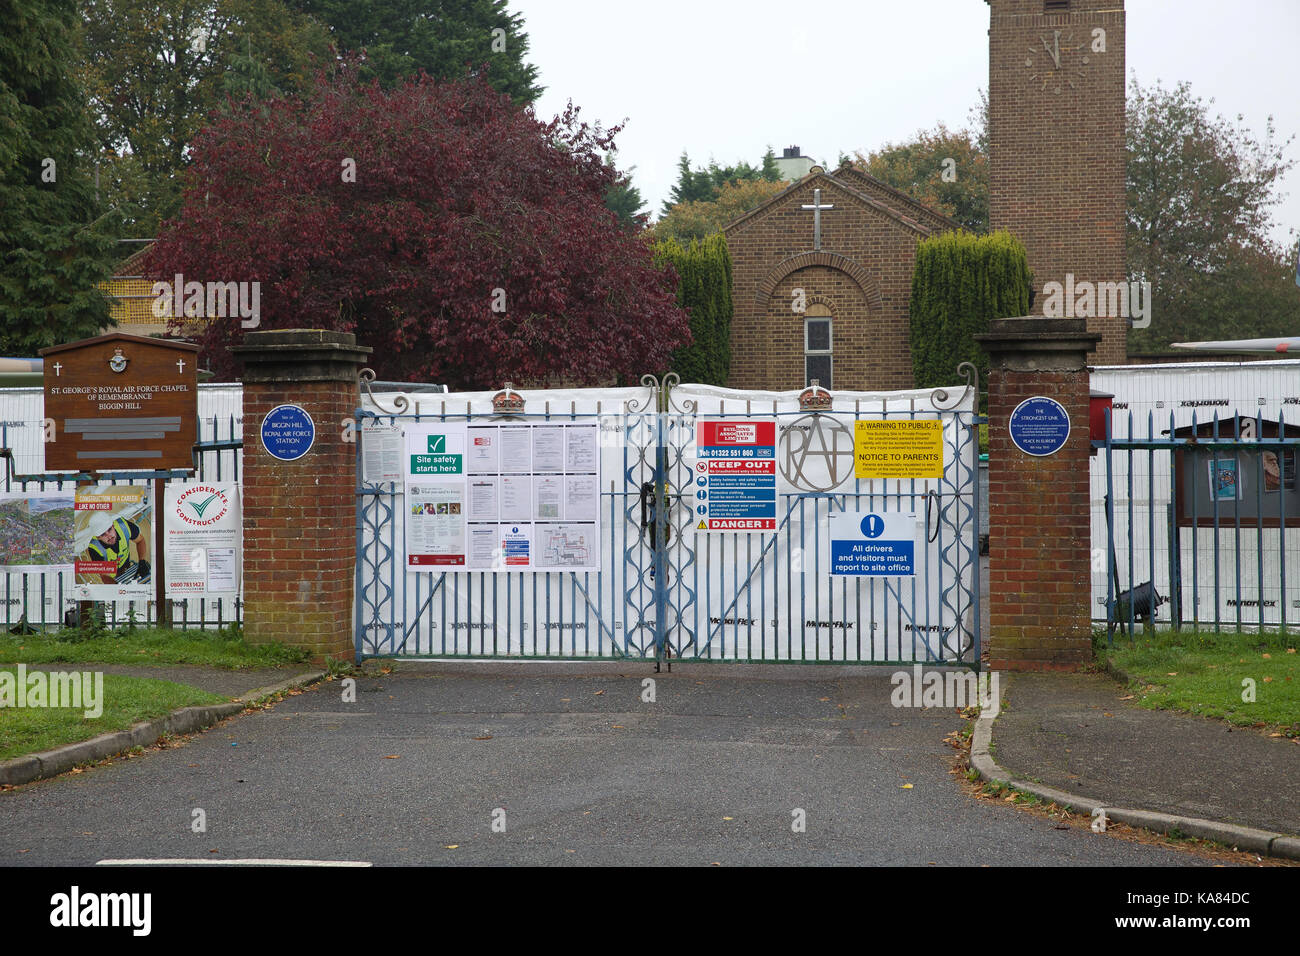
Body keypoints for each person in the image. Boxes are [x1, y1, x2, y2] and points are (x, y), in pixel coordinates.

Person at [82, 512, 150, 584]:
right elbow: (104, 575)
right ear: (98, 537)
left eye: (109, 529)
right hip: (111, 572)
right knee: (117, 575)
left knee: (125, 568)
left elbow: (140, 540)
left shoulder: (124, 526)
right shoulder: (94, 548)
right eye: (103, 534)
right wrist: (116, 587)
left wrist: (142, 562)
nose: (109, 536)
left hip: (125, 560)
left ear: (113, 525)